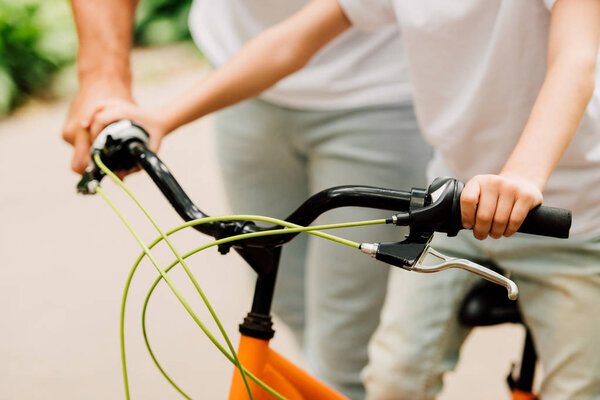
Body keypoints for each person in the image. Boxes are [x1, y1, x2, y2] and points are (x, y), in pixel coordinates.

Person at [82, 0, 600, 398]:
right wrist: (164, 118)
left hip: (572, 220)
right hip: (458, 210)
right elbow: (294, 41)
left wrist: (523, 175)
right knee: (393, 377)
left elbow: (575, 57)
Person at [63, 1, 430, 398]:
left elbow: (298, 42)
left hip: (379, 94)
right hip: (238, 80)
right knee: (285, 299)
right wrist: (102, 77)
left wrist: (167, 116)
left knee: (342, 344)